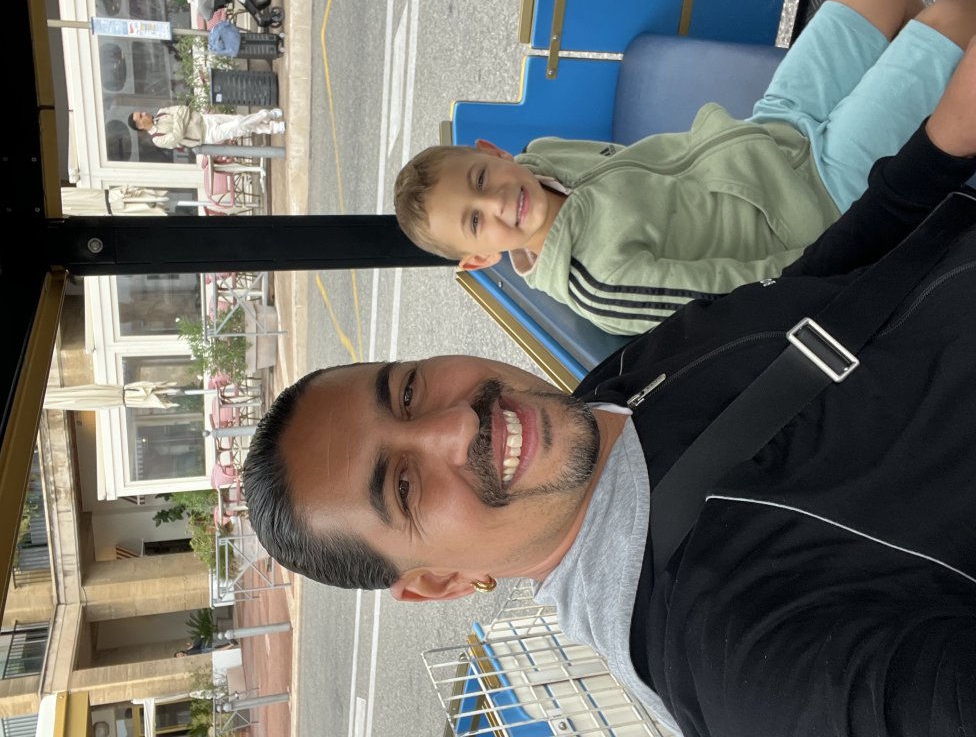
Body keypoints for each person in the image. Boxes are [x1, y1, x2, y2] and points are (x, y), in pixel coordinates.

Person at [241, 36, 976, 736]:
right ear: (440, 581)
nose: (457, 426)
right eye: (403, 486)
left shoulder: (604, 398)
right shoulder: (729, 649)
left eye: (407, 393)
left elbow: (808, 298)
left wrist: (939, 149)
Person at [394, 0, 976, 335]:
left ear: (494, 152)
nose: (497, 202)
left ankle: (922, 96)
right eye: (476, 222)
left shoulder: (543, 158)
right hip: (821, 200)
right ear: (480, 259)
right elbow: (755, 298)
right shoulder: (603, 284)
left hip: (770, 129)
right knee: (955, 18)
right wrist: (861, 240)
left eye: (479, 178)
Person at [128, 105, 285, 150]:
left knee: (239, 121)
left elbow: (183, 109)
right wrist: (180, 121)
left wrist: (179, 123)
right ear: (140, 126)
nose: (144, 113)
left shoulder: (161, 112)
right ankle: (267, 114)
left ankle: (272, 127)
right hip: (206, 135)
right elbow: (177, 135)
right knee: (238, 125)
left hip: (205, 119)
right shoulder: (158, 139)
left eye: (141, 112)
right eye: (140, 116)